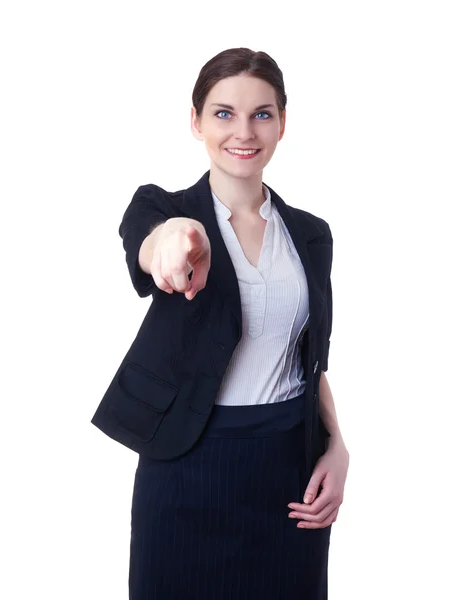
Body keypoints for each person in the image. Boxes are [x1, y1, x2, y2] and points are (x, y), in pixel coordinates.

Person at [91, 47, 350, 600]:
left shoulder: (311, 235)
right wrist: (170, 245)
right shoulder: (163, 209)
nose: (244, 131)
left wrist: (337, 445)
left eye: (262, 113)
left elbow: (309, 358)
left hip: (290, 473)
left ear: (283, 123)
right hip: (188, 466)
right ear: (195, 121)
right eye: (223, 112)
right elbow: (151, 243)